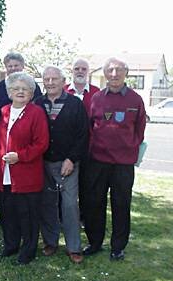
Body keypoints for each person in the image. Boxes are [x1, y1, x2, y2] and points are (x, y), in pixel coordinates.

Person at [82, 57, 146, 261]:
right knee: (94, 203)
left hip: (123, 164)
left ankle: (118, 247)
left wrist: (129, 147)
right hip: (98, 161)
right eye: (110, 70)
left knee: (121, 204)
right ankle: (95, 242)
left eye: (119, 70)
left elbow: (140, 130)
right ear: (105, 73)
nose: (114, 74)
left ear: (126, 73)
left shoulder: (135, 100)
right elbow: (90, 127)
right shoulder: (97, 98)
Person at [35, 66, 89, 264]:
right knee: (47, 204)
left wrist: (71, 159)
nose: (50, 83)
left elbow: (83, 135)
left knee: (69, 206)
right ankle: (50, 241)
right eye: (46, 79)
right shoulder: (37, 103)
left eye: (54, 79)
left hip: (66, 163)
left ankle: (73, 247)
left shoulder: (75, 104)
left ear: (63, 80)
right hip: (42, 163)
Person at [0, 72, 49, 265]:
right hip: (5, 173)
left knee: (27, 215)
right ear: (9, 92)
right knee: (8, 212)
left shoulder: (36, 113)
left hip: (27, 174)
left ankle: (28, 250)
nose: (20, 92)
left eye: (24, 89)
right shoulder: (3, 111)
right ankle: (11, 245)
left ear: (31, 92)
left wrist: (20, 156)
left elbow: (41, 143)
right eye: (16, 88)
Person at [64, 58, 100, 226]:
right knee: (65, 187)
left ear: (88, 72)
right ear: (72, 71)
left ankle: (84, 218)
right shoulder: (63, 91)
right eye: (76, 68)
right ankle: (64, 218)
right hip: (66, 149)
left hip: (90, 148)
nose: (80, 71)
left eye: (83, 69)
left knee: (87, 185)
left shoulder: (97, 92)